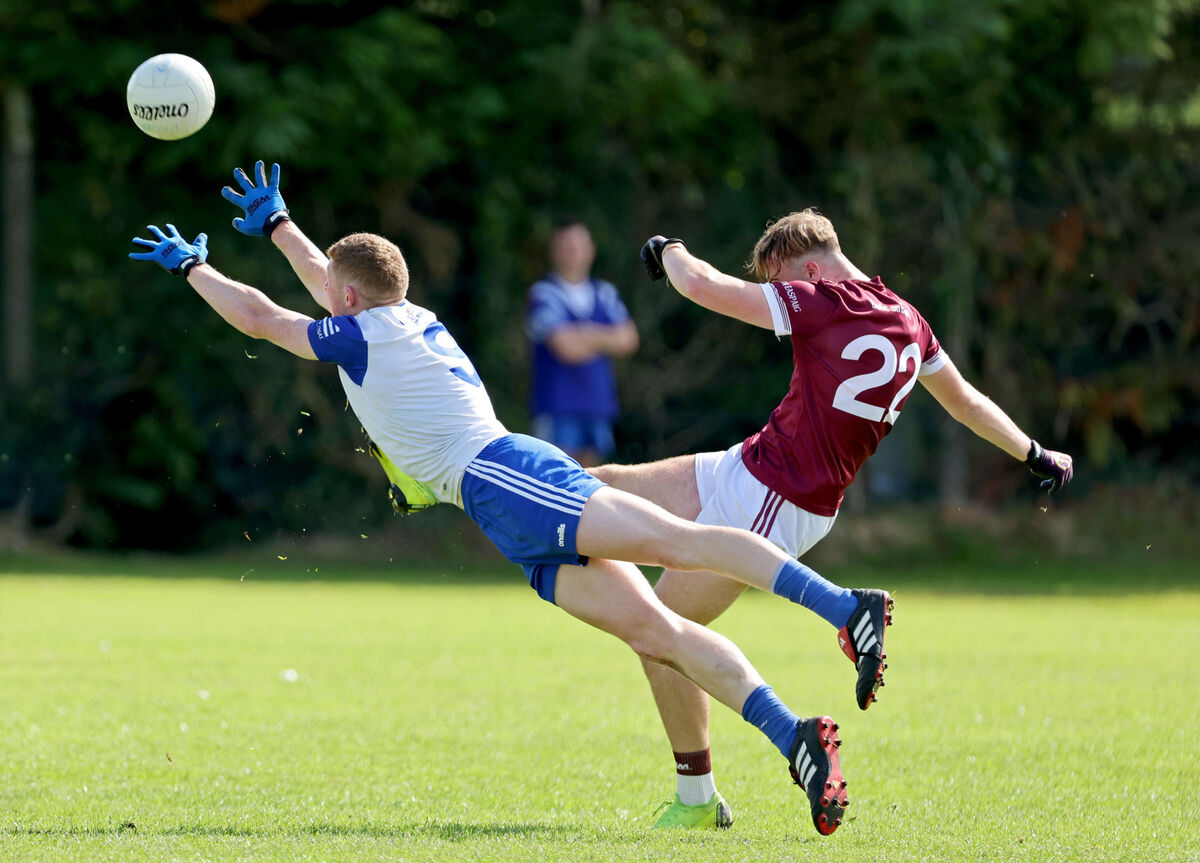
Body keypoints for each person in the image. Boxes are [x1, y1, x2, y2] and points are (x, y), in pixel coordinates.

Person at [127, 164, 897, 837]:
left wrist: (196, 267)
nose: (327, 297)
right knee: (657, 631)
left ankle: (843, 606)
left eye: (334, 289)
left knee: (678, 541)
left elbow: (264, 318)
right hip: (502, 513)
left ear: (352, 297)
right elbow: (327, 286)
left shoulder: (365, 335)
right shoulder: (393, 321)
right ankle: (795, 737)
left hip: (513, 475)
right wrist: (281, 226)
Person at [588, 214, 1074, 829]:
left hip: (776, 495)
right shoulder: (909, 320)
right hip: (752, 465)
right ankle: (479, 496)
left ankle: (699, 800)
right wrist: (1033, 451)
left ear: (811, 269)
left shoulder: (821, 301)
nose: (781, 293)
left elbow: (702, 286)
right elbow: (967, 402)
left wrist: (667, 249)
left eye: (781, 280)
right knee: (597, 486)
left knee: (659, 631)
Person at [525, 221, 638, 466]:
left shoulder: (605, 293)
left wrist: (582, 334)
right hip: (557, 407)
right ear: (554, 252)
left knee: (592, 486)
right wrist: (605, 338)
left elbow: (629, 339)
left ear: (591, 250)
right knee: (554, 483)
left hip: (597, 405)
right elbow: (565, 348)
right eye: (566, 247)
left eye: (578, 246)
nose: (573, 253)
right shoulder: (544, 293)